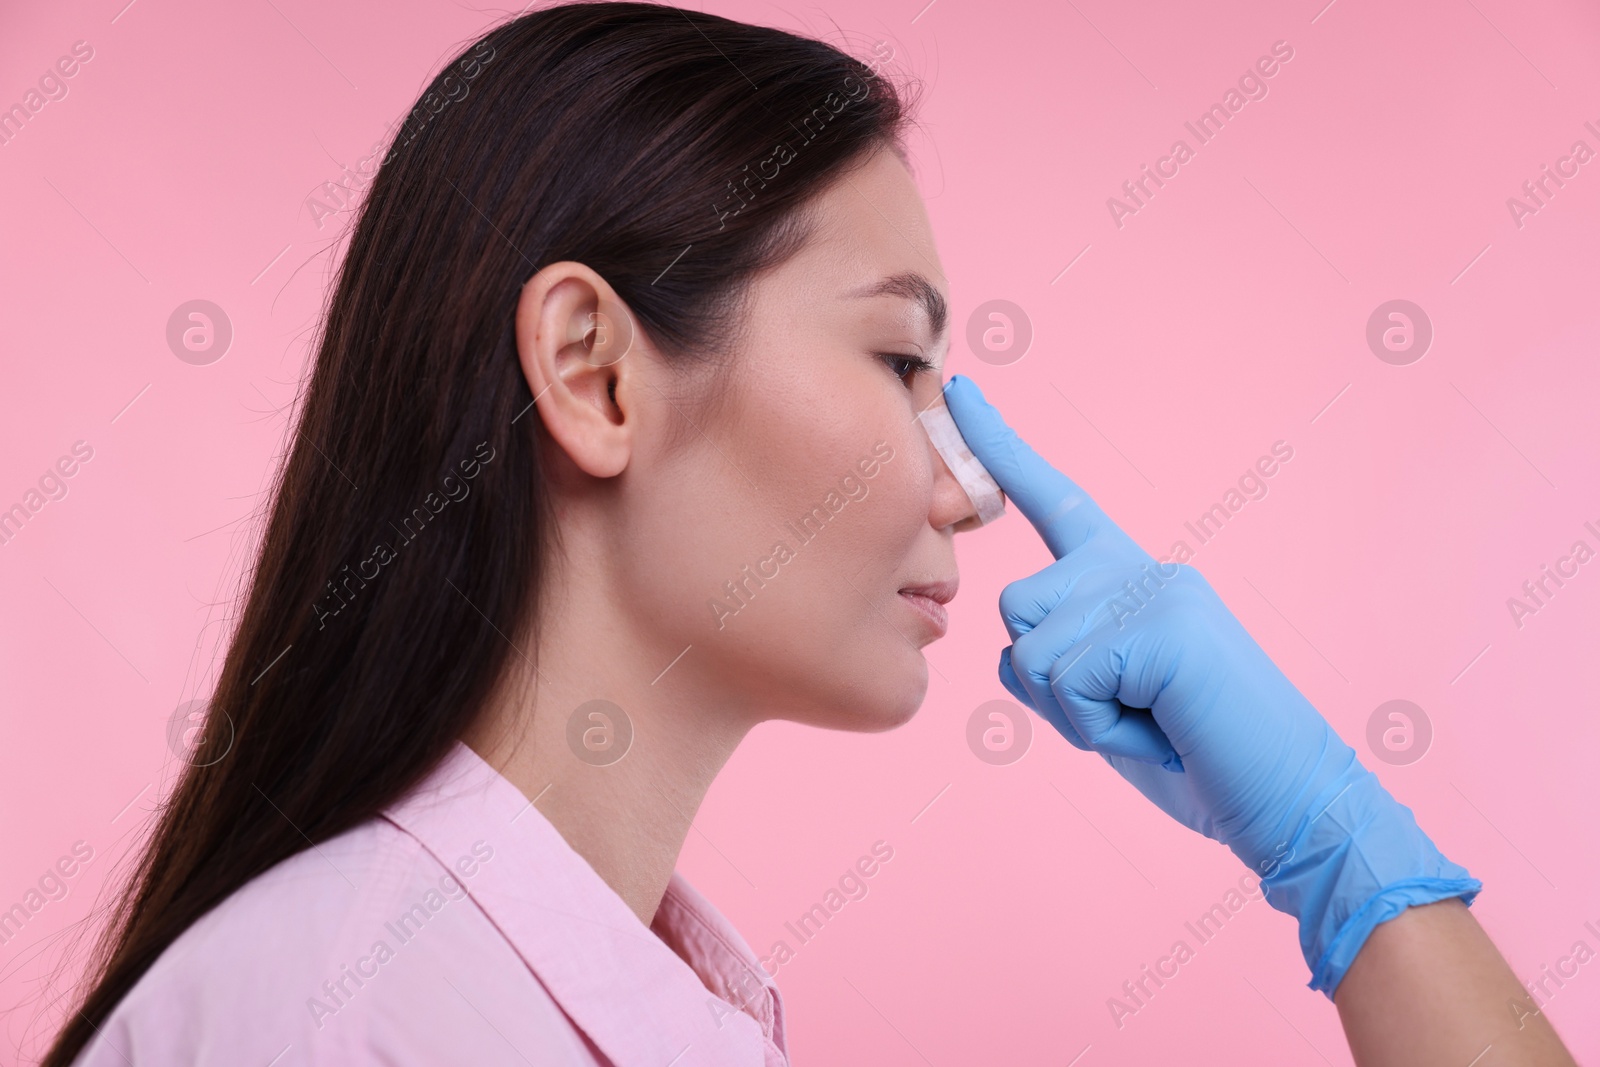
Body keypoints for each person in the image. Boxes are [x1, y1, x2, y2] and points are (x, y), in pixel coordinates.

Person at [46, 4, 1577, 1065]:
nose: (973, 490)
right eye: (902, 363)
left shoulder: (604, 993)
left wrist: (1344, 869)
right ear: (595, 373)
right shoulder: (351, 1023)